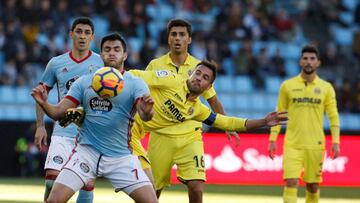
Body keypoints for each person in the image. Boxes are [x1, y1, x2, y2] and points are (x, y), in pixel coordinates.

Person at [31, 33, 158, 203]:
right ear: (100, 53)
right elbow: (58, 112)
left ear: (125, 55)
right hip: (86, 153)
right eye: (107, 49)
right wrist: (45, 104)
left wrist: (148, 110)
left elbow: (145, 114)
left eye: (116, 49)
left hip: (120, 157)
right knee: (53, 200)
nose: (111, 53)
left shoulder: (135, 83)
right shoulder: (84, 82)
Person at [143, 18, 239, 202]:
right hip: (160, 135)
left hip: (190, 136)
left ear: (189, 39)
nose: (177, 38)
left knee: (196, 188)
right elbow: (140, 90)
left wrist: (228, 125)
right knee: (152, 191)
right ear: (168, 38)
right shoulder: (155, 65)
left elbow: (213, 100)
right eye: (174, 34)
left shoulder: (199, 68)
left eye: (182, 35)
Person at [33, 17, 104, 202]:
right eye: (79, 31)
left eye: (87, 33)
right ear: (71, 34)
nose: (82, 36)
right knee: (51, 181)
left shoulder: (102, 63)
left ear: (92, 37)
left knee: (86, 186)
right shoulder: (56, 63)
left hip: (91, 134)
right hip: (63, 131)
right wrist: (40, 126)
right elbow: (41, 94)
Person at [268, 45, 340, 203]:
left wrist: (335, 141)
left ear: (318, 63)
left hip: (315, 144)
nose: (309, 62)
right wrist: (273, 139)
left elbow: (333, 116)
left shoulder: (326, 88)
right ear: (300, 62)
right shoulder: (287, 86)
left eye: (312, 59)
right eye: (305, 58)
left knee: (312, 186)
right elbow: (279, 114)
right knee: (291, 182)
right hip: (293, 143)